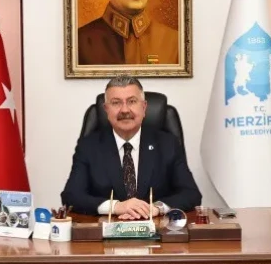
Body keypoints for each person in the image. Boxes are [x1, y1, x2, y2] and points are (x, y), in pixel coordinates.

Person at [61, 75, 202, 217]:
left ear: (144, 107)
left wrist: (156, 208)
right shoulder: (88, 147)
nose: (124, 110)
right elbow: (71, 196)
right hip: (107, 227)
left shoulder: (168, 144)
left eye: (132, 101)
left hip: (156, 227)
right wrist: (115, 207)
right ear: (106, 109)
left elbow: (191, 194)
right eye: (116, 103)